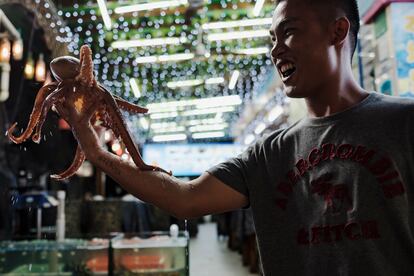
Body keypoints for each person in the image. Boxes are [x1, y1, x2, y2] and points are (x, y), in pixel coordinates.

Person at [65, 0, 414, 274]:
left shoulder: (403, 123)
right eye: (272, 39)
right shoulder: (268, 153)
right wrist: (96, 152)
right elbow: (185, 199)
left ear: (337, 31)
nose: (276, 51)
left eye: (289, 32)